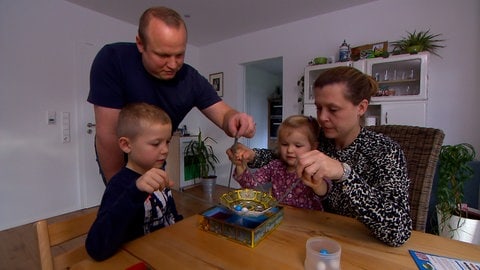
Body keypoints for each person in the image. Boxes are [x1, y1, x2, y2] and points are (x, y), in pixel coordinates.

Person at [233, 66, 412, 247]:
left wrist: (344, 174)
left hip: (363, 245)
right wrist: (252, 155)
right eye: (319, 108)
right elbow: (279, 157)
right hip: (311, 235)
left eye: (333, 109)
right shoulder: (318, 139)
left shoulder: (385, 151)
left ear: (361, 107)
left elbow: (398, 232)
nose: (322, 118)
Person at [88, 6, 255, 184]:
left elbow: (224, 115)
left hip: (156, 160)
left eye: (180, 55)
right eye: (163, 55)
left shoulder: (191, 79)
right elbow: (108, 134)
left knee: (158, 205)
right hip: (121, 159)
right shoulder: (113, 59)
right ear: (140, 44)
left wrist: (234, 119)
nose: (173, 65)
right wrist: (118, 188)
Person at [86, 103, 183, 261]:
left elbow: (170, 217)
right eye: (156, 143)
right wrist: (135, 191)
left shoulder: (158, 174)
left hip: (166, 256)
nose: (165, 150)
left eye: (167, 141)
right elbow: (96, 248)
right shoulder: (119, 185)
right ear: (126, 145)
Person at [230, 115, 327, 210]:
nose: (289, 150)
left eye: (298, 146)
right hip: (279, 217)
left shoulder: (314, 169)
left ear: (313, 147)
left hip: (307, 221)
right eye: (284, 144)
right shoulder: (275, 166)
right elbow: (250, 183)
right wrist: (240, 166)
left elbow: (324, 191)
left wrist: (317, 184)